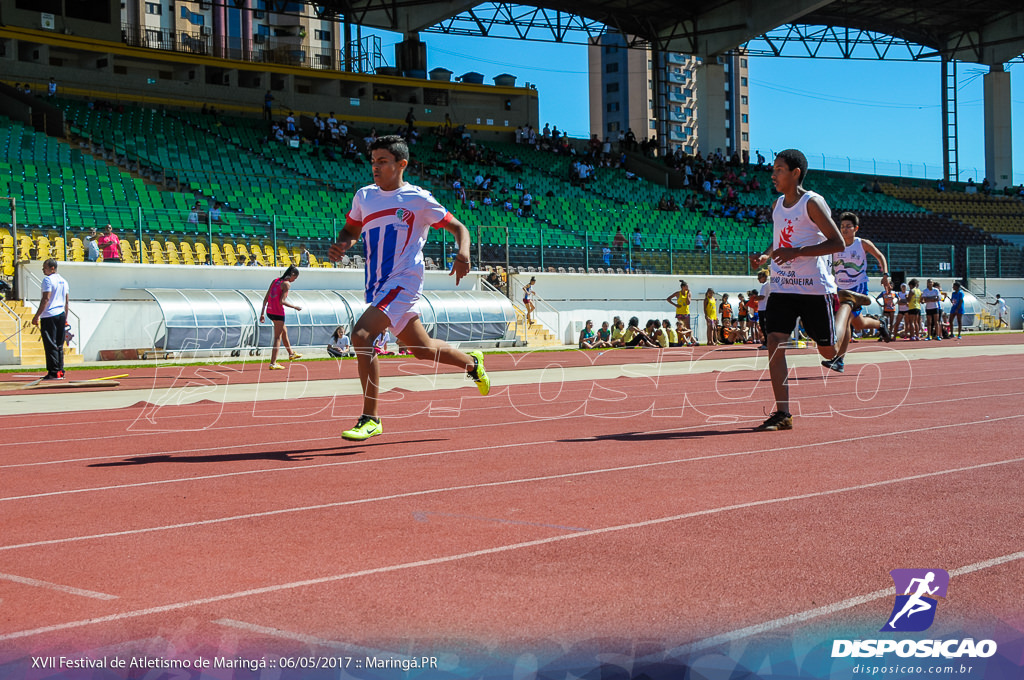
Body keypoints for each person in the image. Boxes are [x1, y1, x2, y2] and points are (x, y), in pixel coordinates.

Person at [326, 135, 489, 442]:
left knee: (362, 336)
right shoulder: (364, 196)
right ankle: (472, 363)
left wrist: (463, 252)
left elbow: (459, 227)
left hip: (404, 281)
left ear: (402, 164)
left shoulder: (418, 199)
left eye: (383, 161)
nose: (375, 167)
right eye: (373, 161)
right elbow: (351, 228)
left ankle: (370, 417)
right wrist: (342, 245)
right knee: (421, 349)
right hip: (377, 286)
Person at [748, 149, 869, 431]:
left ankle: (847, 304)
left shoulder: (812, 202)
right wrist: (768, 256)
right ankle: (783, 414)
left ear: (795, 173)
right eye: (774, 169)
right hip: (782, 285)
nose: (773, 174)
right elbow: (780, 239)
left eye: (779, 169)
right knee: (774, 343)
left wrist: (797, 253)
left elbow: (837, 243)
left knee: (829, 352)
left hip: (813, 288)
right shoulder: (778, 204)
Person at [824, 211, 892, 371]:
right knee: (859, 324)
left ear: (856, 228)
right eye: (842, 227)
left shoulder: (862, 244)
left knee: (846, 319)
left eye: (848, 226)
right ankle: (880, 323)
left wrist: (885, 274)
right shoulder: (835, 245)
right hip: (840, 287)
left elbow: (880, 255)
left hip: (858, 287)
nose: (845, 229)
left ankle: (839, 360)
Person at [30, 259, 70, 380]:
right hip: (61, 314)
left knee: (50, 344)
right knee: (59, 344)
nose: (43, 270)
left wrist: (37, 315)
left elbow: (46, 299)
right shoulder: (64, 281)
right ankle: (60, 370)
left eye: (45, 268)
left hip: (49, 315)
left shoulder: (48, 280)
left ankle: (53, 371)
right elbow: (66, 302)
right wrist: (65, 317)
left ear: (52, 268)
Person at [259, 265, 303, 370]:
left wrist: (262, 313)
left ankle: (291, 353)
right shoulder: (286, 284)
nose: (294, 281)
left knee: (284, 330)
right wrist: (295, 307)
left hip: (269, 311)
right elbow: (281, 301)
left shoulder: (275, 281)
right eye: (295, 278)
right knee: (277, 337)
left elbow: (266, 297)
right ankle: (273, 363)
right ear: (292, 275)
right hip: (278, 313)